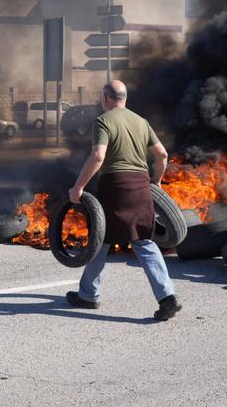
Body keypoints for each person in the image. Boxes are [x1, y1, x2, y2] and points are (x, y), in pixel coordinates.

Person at [66, 80, 182, 321]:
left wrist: (79, 187)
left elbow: (98, 155)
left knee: (100, 240)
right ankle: (167, 296)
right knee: (144, 242)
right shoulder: (141, 122)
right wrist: (157, 181)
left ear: (105, 98)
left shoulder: (103, 121)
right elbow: (162, 154)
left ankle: (89, 295)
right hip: (141, 187)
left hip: (115, 187)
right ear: (125, 99)